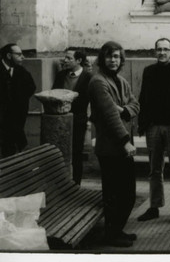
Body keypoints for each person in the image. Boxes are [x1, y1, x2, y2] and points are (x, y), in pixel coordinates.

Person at [88, 41, 140, 247]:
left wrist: (125, 110)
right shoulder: (98, 82)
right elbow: (110, 115)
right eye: (109, 56)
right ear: (103, 59)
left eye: (117, 56)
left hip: (122, 147)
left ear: (121, 60)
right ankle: (111, 234)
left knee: (127, 193)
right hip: (111, 148)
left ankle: (117, 229)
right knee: (115, 193)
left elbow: (136, 104)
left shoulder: (120, 80)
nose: (113, 60)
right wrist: (125, 142)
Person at [137, 38, 170, 225]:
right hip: (153, 127)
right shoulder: (149, 71)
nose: (162, 52)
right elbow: (143, 97)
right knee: (154, 169)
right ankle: (154, 207)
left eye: (165, 49)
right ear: (155, 52)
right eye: (158, 49)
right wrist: (143, 124)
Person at [52, 48, 92, 185]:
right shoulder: (61, 75)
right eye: (65, 57)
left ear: (79, 60)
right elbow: (54, 92)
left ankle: (76, 183)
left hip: (78, 120)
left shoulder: (88, 77)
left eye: (69, 58)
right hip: (61, 119)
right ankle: (61, 183)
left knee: (77, 152)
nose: (65, 60)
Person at [0, 43, 36, 158]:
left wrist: (18, 101)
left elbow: (31, 87)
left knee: (17, 145)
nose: (23, 57)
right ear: (9, 56)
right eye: (19, 54)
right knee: (6, 146)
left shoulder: (20, 71)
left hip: (16, 117)